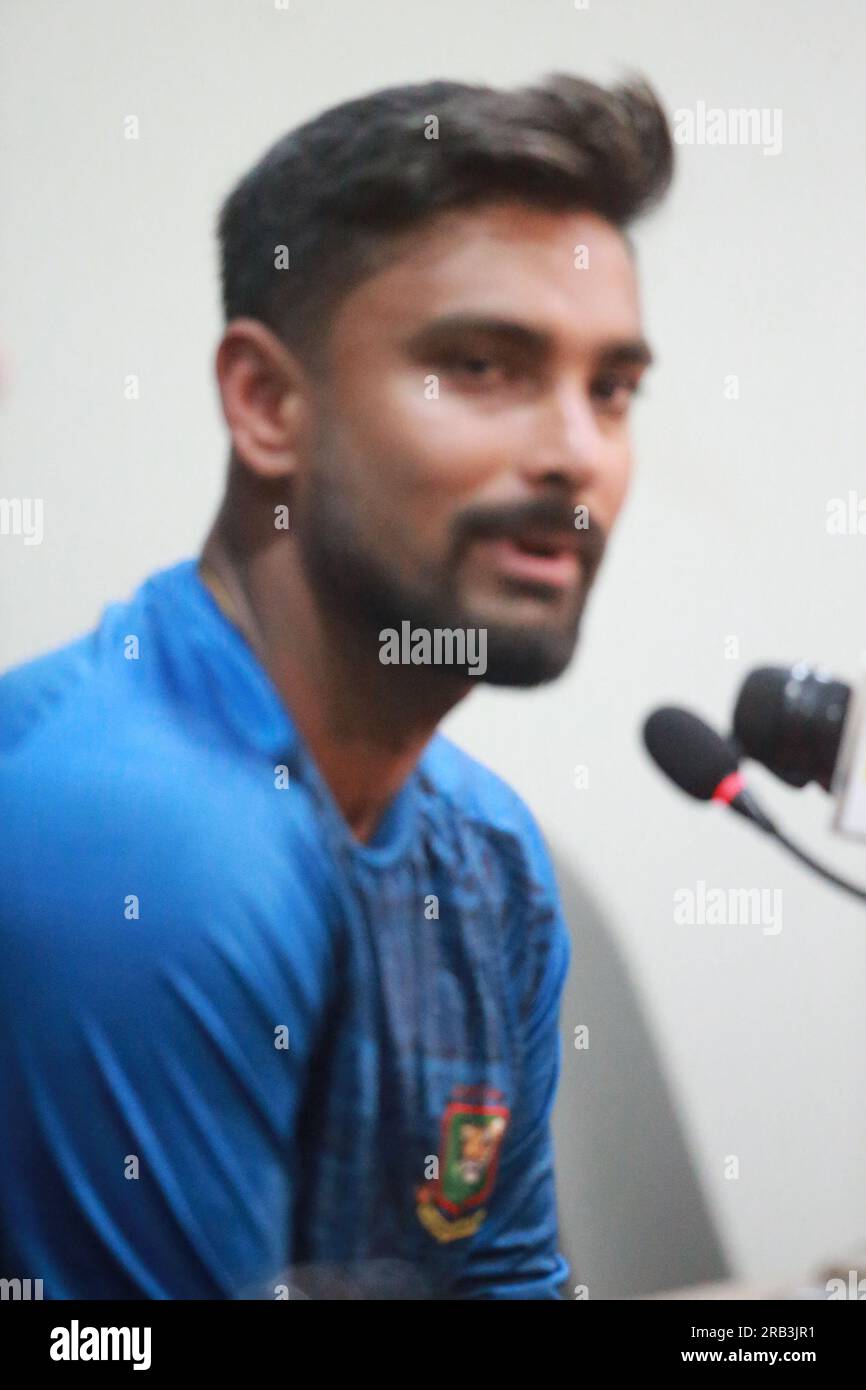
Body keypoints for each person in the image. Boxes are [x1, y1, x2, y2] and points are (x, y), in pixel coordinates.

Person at [0, 73, 673, 1299]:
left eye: (610, 388)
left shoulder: (488, 857)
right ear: (267, 403)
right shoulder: (137, 844)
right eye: (480, 365)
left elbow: (506, 1291)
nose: (574, 450)